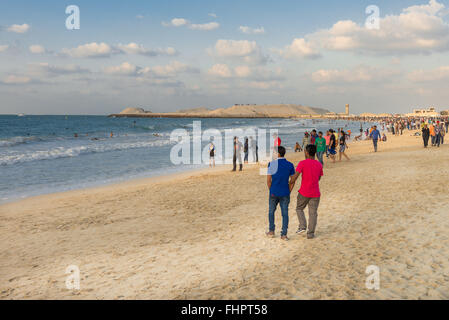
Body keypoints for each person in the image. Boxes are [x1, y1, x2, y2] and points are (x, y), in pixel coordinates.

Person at [289, 145, 323, 239]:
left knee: (299, 208)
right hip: (315, 192)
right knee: (313, 213)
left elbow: (295, 177)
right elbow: (318, 178)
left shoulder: (302, 163)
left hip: (304, 192)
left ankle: (302, 226)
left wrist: (289, 183)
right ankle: (310, 233)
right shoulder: (319, 164)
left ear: (307, 153)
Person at [266, 146, 296, 241]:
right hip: (285, 192)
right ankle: (284, 234)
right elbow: (293, 180)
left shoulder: (271, 164)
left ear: (278, 154)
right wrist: (289, 190)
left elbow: (268, 180)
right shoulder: (290, 165)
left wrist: (272, 190)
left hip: (274, 192)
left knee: (271, 212)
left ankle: (271, 231)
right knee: (285, 213)